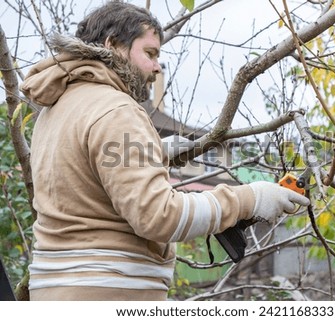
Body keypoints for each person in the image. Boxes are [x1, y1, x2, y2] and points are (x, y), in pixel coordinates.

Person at [20, 1, 310, 301]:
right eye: (150, 53)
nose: (157, 67)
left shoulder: (56, 110)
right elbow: (157, 216)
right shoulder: (116, 110)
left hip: (58, 291)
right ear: (113, 45)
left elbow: (85, 178)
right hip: (108, 293)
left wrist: (153, 150)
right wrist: (250, 199)